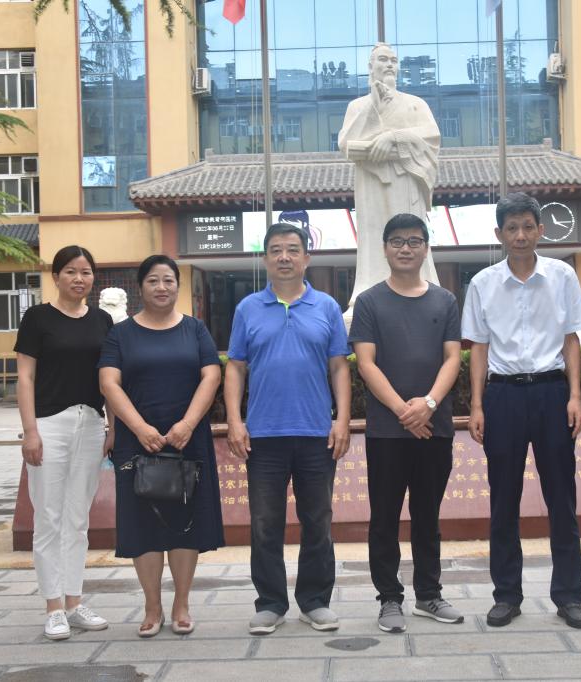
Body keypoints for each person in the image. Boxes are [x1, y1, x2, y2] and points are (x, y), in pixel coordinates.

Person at [461, 193, 581, 630]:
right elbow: (479, 349)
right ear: (499, 234)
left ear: (541, 230)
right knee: (503, 499)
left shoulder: (562, 275)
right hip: (504, 397)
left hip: (552, 393)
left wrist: (575, 397)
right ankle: (506, 596)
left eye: (527, 226)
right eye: (512, 228)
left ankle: (569, 596)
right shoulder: (482, 283)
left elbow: (572, 340)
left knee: (562, 498)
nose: (520, 235)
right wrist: (477, 405)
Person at [224, 222, 352, 635]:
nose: (284, 257)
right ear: (265, 259)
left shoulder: (326, 307)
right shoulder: (248, 309)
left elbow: (339, 367)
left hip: (316, 434)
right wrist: (234, 421)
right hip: (263, 435)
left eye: (293, 249)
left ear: (306, 258)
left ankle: (314, 601)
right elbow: (235, 368)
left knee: (318, 520)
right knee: (265, 523)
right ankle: (270, 603)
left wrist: (342, 420)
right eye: (276, 250)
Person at [98, 255, 224, 637]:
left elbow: (211, 375)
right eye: (153, 280)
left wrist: (188, 423)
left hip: (188, 440)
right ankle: (152, 606)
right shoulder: (121, 334)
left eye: (168, 280)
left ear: (177, 286)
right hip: (137, 443)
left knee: (186, 522)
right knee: (143, 525)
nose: (162, 287)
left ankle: (181, 604)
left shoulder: (195, 329)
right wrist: (139, 428)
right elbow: (109, 383)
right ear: (141, 287)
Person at [349, 213, 463, 633]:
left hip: (435, 427)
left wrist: (428, 404)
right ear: (384, 248)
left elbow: (453, 358)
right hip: (387, 431)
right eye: (397, 240)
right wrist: (404, 411)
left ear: (426, 248)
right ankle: (389, 598)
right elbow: (366, 363)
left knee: (427, 514)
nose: (405, 248)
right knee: (384, 517)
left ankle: (429, 595)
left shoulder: (445, 301)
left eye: (414, 241)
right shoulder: (369, 302)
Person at [15, 245, 113, 641]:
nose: (79, 278)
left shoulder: (102, 320)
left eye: (85, 272)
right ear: (56, 276)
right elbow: (25, 377)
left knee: (78, 518)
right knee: (48, 518)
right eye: (70, 271)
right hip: (49, 425)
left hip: (90, 425)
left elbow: (109, 379)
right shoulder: (37, 318)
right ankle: (53, 606)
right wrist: (30, 431)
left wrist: (112, 427)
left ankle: (74, 601)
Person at [339, 42, 441, 308]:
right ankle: (368, 292)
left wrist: (394, 137)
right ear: (370, 66)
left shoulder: (415, 104)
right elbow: (346, 143)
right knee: (375, 237)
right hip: (371, 185)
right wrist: (374, 104)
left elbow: (432, 136)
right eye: (383, 60)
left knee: (410, 234)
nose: (389, 65)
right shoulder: (358, 106)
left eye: (393, 61)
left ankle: (420, 288)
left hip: (406, 182)